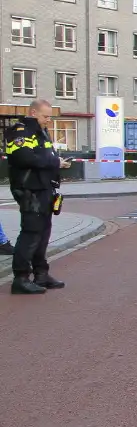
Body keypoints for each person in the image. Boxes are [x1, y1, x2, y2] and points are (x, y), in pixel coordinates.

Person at [4, 99, 70, 294]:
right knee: (31, 233)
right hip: (29, 190)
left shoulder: (41, 131)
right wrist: (54, 162)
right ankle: (20, 278)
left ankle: (41, 274)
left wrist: (56, 163)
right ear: (33, 113)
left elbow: (44, 156)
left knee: (43, 232)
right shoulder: (20, 131)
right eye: (45, 116)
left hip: (44, 189)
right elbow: (23, 157)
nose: (48, 120)